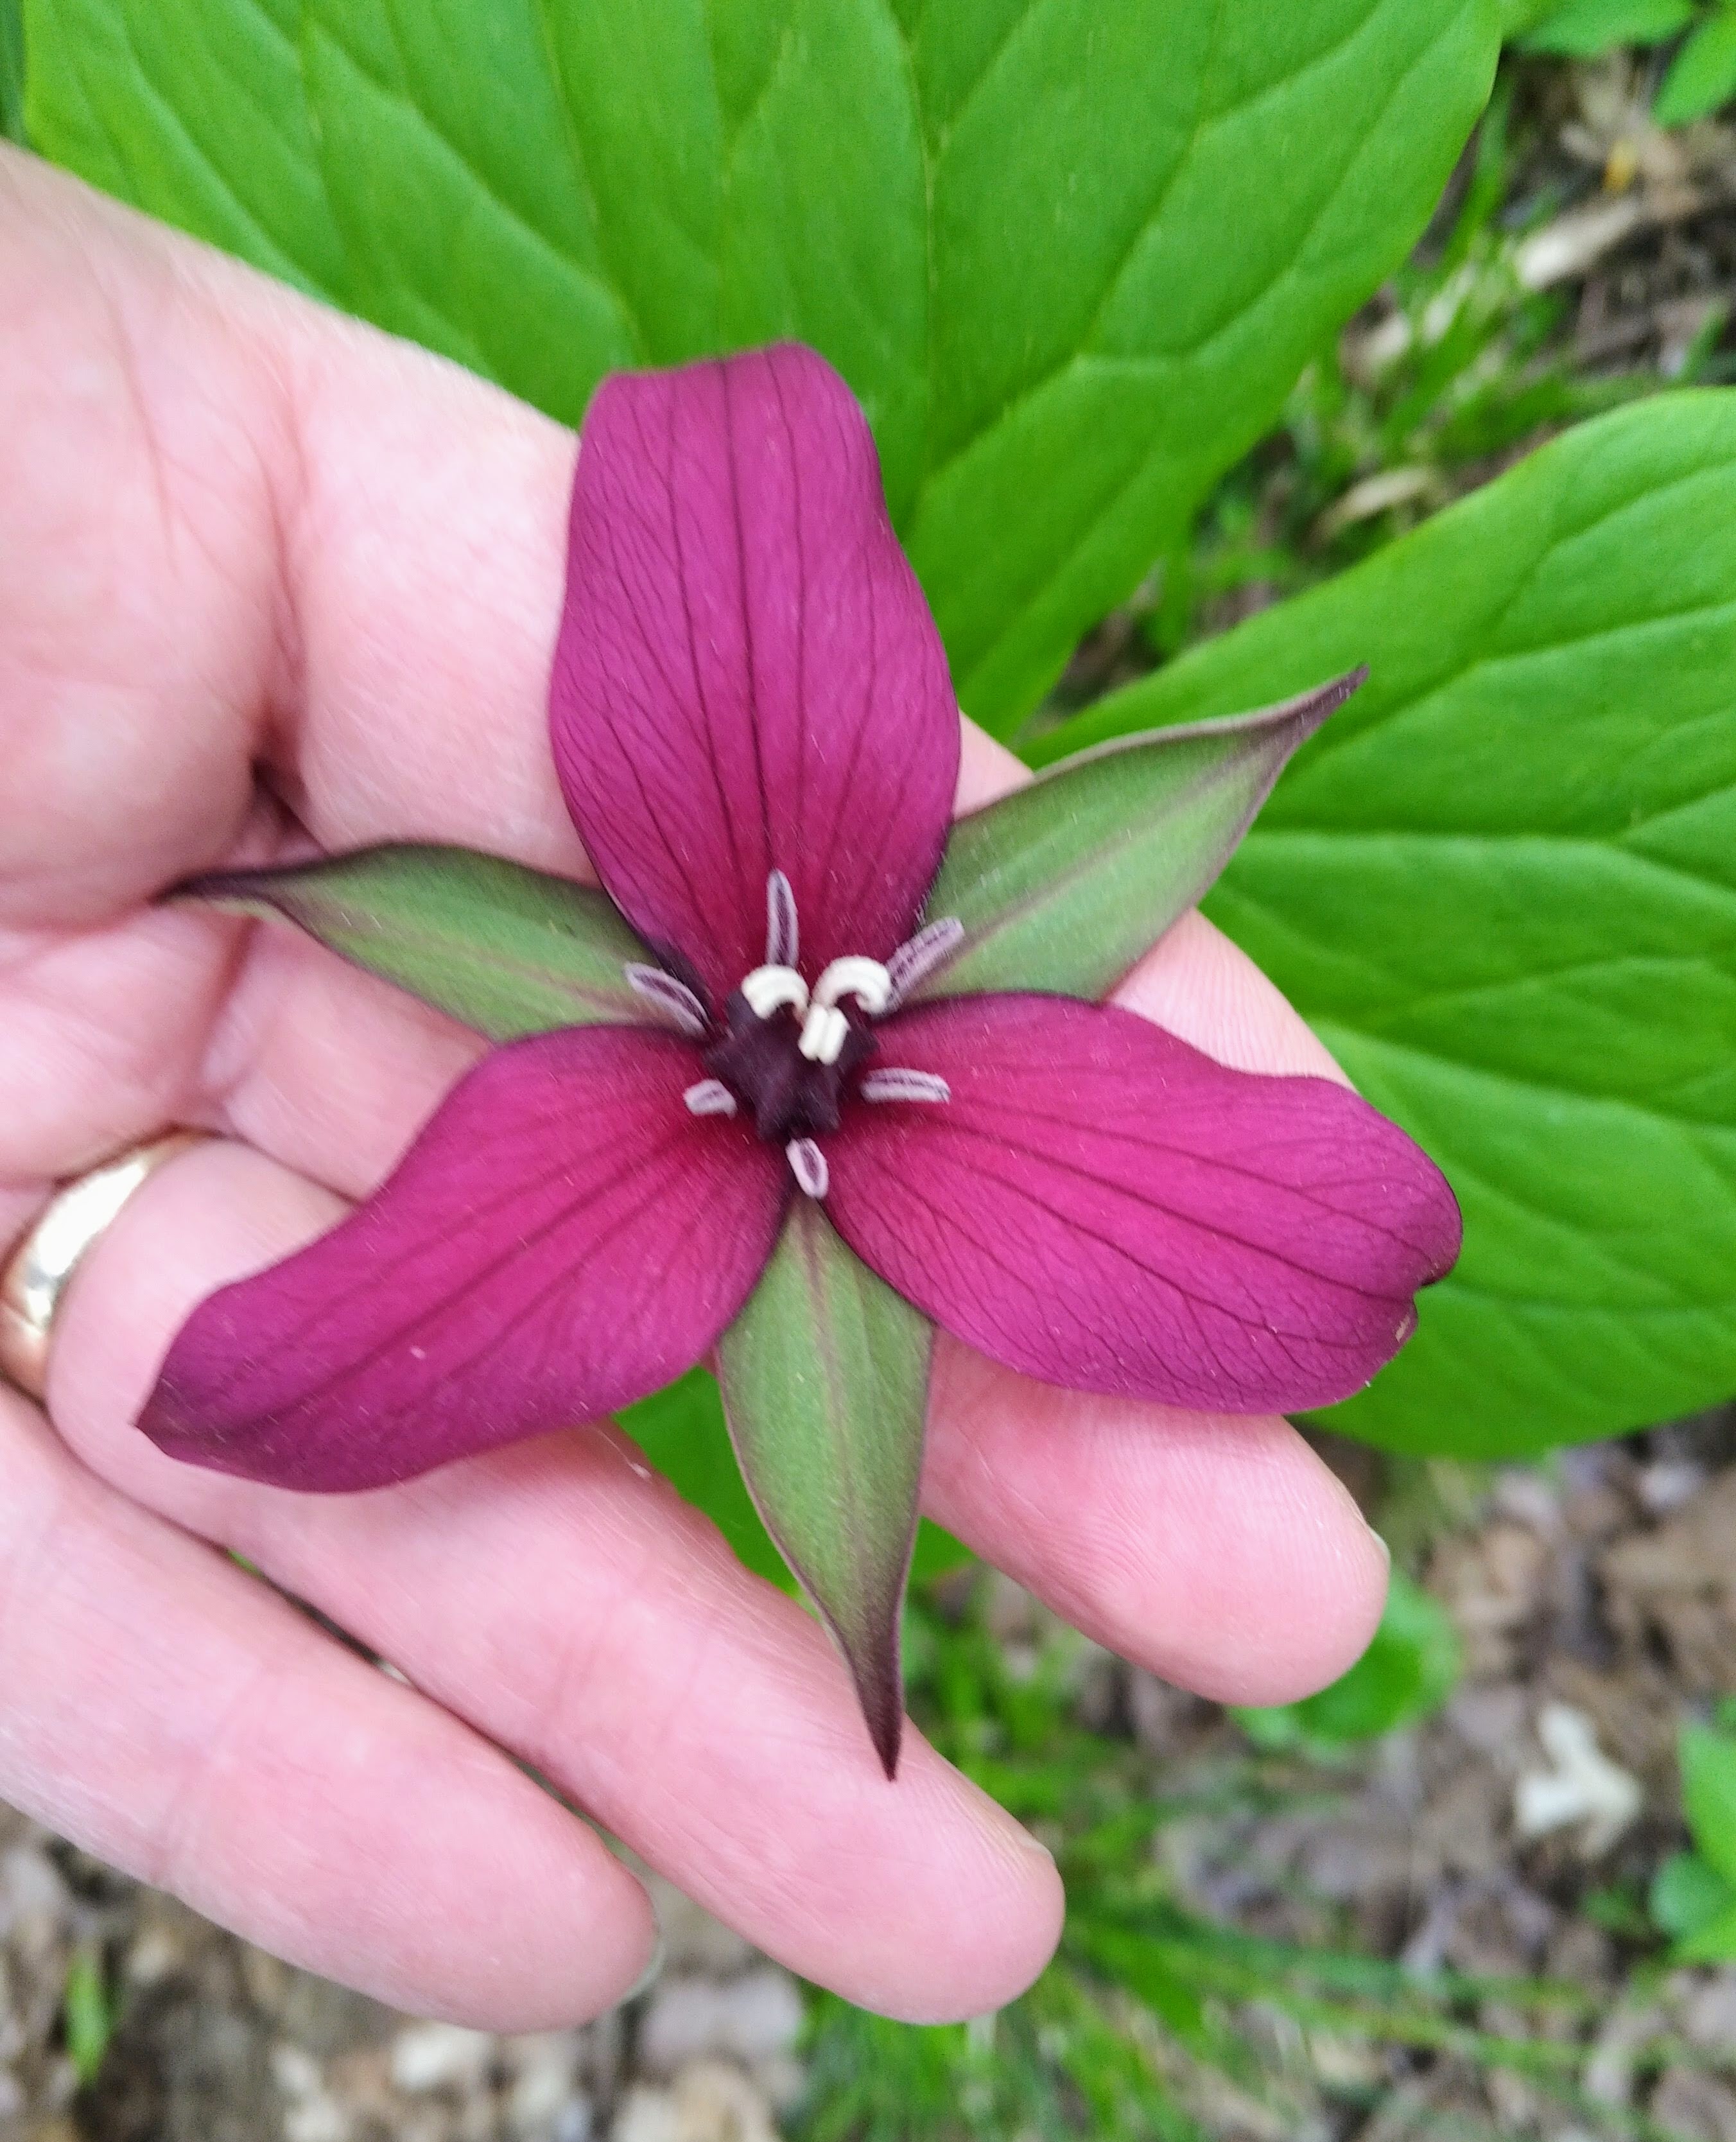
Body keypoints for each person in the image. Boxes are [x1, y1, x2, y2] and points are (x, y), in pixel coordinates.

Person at [0, 144, 1389, 2032]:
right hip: (737, 1078)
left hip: (813, 1090)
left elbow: (1319, 1250)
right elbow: (727, 472)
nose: (794, 1039)